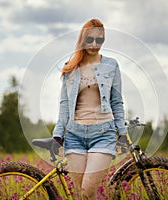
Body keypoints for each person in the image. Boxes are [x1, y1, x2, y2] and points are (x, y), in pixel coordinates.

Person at [52, 18, 128, 199]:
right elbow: (64, 105)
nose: (95, 44)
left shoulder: (111, 65)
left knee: (87, 190)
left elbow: (117, 101)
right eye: (90, 39)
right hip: (74, 135)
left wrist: (122, 132)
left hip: (103, 133)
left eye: (99, 40)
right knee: (80, 195)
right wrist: (58, 133)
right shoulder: (70, 68)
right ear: (82, 39)